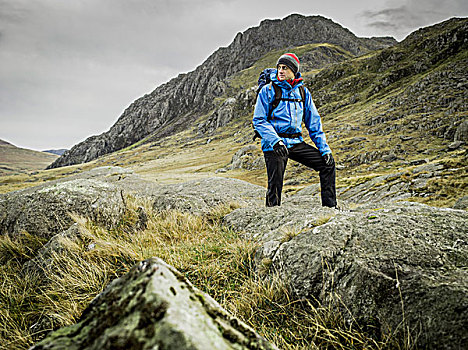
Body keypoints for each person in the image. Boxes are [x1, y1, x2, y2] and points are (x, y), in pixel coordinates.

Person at [253, 53, 337, 207]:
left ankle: (330, 208)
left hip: (295, 142)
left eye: (285, 68)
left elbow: (314, 124)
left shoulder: (303, 93)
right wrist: (276, 142)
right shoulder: (267, 90)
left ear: (294, 71)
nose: (281, 71)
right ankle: (271, 216)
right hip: (274, 144)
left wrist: (325, 150)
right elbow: (259, 121)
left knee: (327, 165)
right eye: (279, 67)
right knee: (275, 184)